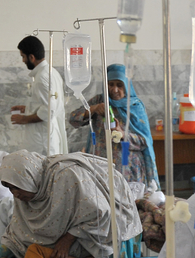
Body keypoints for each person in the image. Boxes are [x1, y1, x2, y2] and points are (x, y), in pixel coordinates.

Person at [0, 150, 142, 258]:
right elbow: (16, 233)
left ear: (28, 178)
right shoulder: (26, 193)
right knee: (35, 250)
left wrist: (67, 239)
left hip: (113, 222)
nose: (14, 194)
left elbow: (101, 213)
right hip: (87, 226)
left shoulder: (66, 177)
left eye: (16, 187)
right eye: (9, 188)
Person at [68, 63, 159, 193]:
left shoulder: (135, 106)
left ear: (126, 85)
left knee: (127, 201)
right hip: (100, 166)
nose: (115, 90)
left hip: (128, 168)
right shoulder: (99, 101)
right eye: (111, 84)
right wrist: (93, 109)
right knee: (101, 200)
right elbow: (73, 119)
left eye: (119, 85)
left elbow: (145, 141)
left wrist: (123, 134)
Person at [11, 35, 67, 157]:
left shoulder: (42, 78)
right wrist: (27, 109)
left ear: (31, 57)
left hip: (42, 140)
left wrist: (24, 119)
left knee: (40, 166)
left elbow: (48, 110)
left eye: (23, 56)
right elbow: (46, 103)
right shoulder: (51, 72)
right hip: (47, 135)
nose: (23, 60)